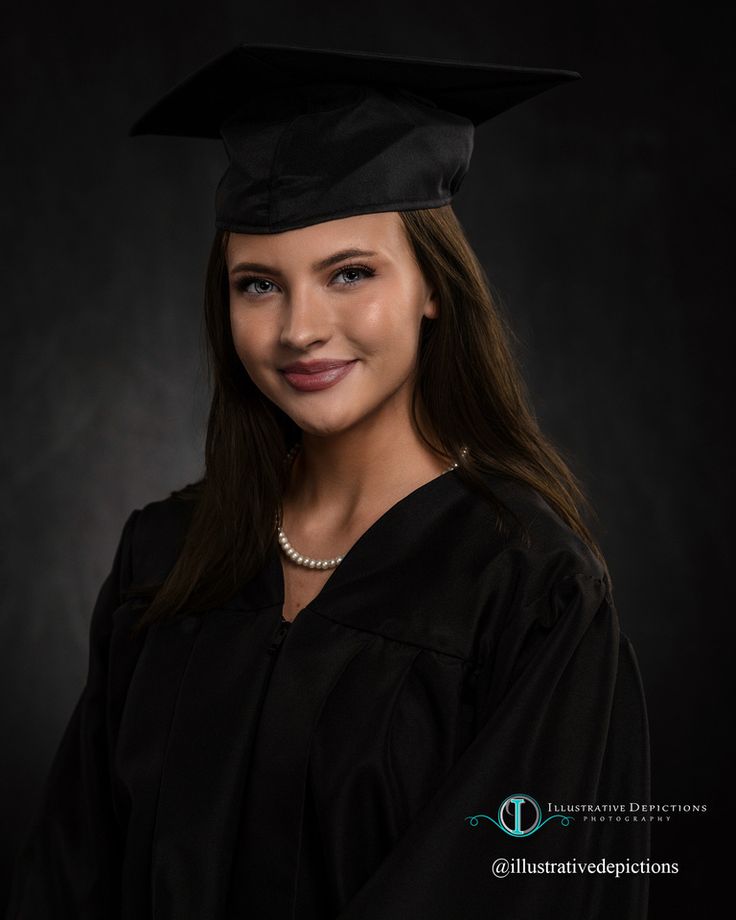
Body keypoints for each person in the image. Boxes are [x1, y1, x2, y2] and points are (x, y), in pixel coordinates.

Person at [5, 43, 650, 920]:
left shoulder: (533, 592)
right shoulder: (163, 557)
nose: (300, 329)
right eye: (258, 284)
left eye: (350, 272)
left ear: (433, 286)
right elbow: (69, 879)